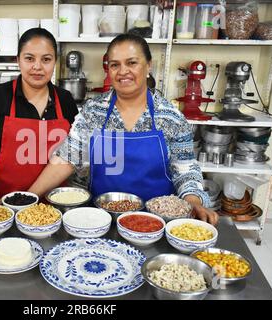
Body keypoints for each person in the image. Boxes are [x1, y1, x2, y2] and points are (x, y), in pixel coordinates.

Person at [29, 33, 218, 225]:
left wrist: (193, 201)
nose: (122, 71)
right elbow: (68, 157)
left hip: (156, 222)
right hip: (99, 219)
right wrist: (29, 197)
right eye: (115, 65)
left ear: (148, 66)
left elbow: (185, 169)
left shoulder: (170, 117)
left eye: (132, 63)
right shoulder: (94, 111)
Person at [0, 28, 79, 205]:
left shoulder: (65, 100)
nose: (37, 67)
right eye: (29, 58)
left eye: (46, 59)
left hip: (54, 204)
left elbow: (71, 154)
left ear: (55, 62)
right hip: (2, 202)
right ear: (18, 60)